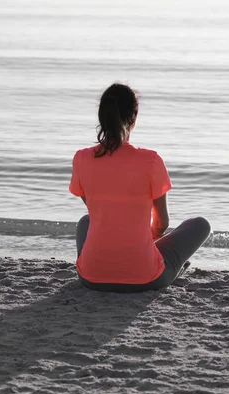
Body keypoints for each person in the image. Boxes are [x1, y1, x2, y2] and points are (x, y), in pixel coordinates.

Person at [69, 83, 212, 292]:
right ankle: (170, 267)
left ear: (102, 118)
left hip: (91, 277)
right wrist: (145, 242)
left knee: (86, 221)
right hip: (145, 277)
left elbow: (96, 209)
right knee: (201, 225)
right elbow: (161, 223)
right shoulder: (150, 160)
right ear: (134, 118)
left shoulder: (81, 158)